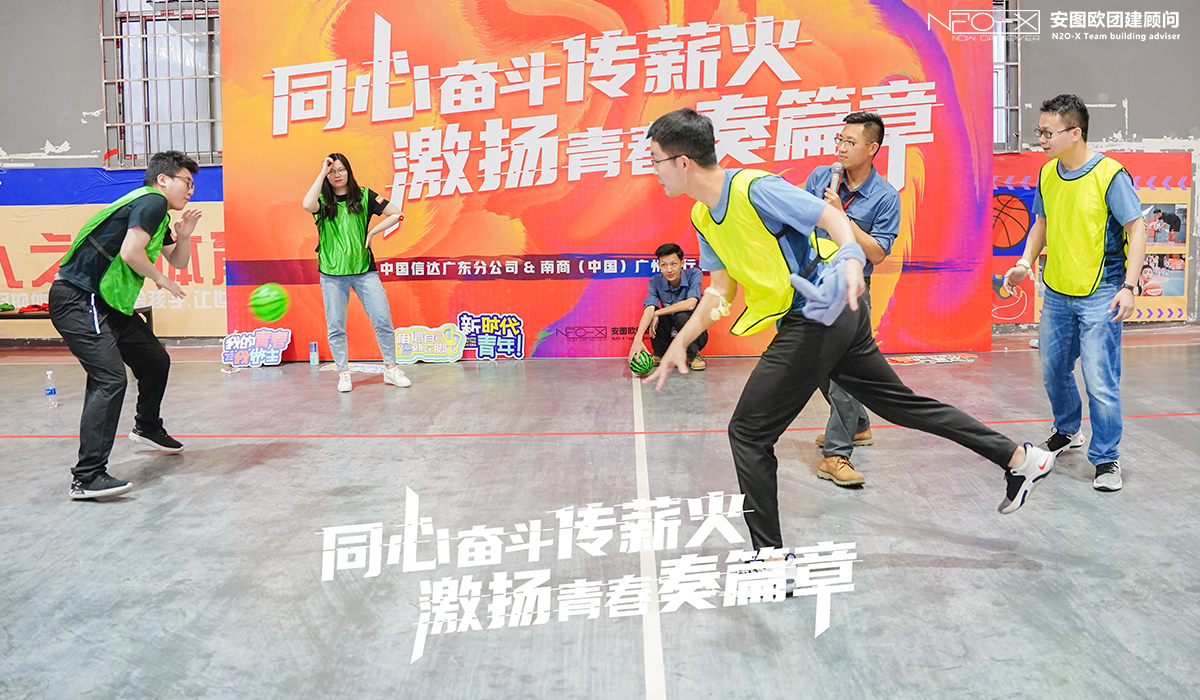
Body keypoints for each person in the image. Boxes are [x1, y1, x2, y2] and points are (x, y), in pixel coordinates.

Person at [643, 108, 1056, 553]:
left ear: (682, 162)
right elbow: (720, 290)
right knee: (901, 406)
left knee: (748, 432)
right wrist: (680, 342)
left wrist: (852, 259)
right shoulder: (704, 216)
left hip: (819, 313)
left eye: (655, 160)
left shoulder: (755, 188)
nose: (654, 170)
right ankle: (1020, 458)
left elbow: (831, 217)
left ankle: (770, 558)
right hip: (830, 315)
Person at [1002, 94, 1145, 493]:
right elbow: (1041, 223)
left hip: (1102, 291)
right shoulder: (1048, 173)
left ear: (1075, 133)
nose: (1041, 139)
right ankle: (1067, 430)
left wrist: (1130, 286)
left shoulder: (1110, 175)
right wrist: (1025, 263)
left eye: (1048, 132)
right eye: (1039, 131)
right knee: (1053, 371)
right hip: (1058, 292)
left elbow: (1136, 229)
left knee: (1100, 381)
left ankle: (1106, 458)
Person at [49, 150, 201, 500]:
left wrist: (185, 236)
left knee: (154, 360)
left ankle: (147, 427)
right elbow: (131, 253)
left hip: (107, 303)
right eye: (186, 182)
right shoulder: (151, 201)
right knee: (110, 379)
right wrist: (160, 280)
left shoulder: (156, 212)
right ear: (163, 180)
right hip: (79, 298)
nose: (190, 190)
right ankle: (87, 476)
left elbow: (177, 261)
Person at [802, 112, 900, 487]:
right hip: (814, 284)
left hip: (852, 289)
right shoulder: (820, 178)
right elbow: (799, 222)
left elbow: (877, 253)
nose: (841, 148)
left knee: (844, 371)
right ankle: (857, 424)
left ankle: (836, 454)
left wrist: (841, 217)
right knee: (815, 365)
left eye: (850, 142)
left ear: (872, 148)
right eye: (839, 140)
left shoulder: (885, 197)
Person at [302, 154, 411, 393]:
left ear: (349, 171)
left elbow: (397, 214)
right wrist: (321, 172)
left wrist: (372, 233)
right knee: (336, 326)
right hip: (332, 273)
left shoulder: (365, 196)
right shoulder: (323, 201)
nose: (337, 175)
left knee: (382, 318)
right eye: (332, 172)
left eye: (341, 170)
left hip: (364, 270)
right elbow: (306, 205)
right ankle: (343, 372)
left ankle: (391, 369)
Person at [628, 243, 707, 372]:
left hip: (696, 336)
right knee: (651, 314)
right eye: (664, 265)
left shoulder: (694, 274)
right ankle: (658, 354)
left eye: (673, 264)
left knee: (680, 316)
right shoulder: (655, 281)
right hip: (670, 336)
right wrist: (638, 339)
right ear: (659, 266)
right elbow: (649, 308)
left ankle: (694, 355)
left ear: (682, 263)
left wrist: (657, 313)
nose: (669, 270)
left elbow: (690, 304)